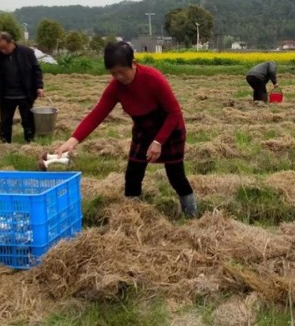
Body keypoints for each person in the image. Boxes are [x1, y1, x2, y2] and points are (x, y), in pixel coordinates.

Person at [52, 41, 197, 217]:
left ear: (133, 64)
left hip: (169, 129)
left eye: (122, 71)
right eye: (113, 73)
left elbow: (174, 113)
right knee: (132, 176)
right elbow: (97, 114)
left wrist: (158, 141)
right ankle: (131, 216)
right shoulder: (115, 88)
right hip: (143, 131)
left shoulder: (153, 79)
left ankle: (192, 216)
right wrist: (73, 140)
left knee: (176, 176)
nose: (119, 77)